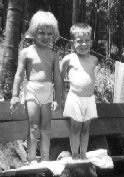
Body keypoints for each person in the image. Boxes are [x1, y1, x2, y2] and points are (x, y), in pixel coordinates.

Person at [10, 11, 62, 163]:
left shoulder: (54, 55)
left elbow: (57, 78)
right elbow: (19, 75)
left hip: (47, 91)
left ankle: (45, 159)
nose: (45, 37)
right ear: (33, 32)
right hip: (31, 90)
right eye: (41, 33)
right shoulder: (26, 52)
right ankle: (31, 159)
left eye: (49, 34)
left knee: (46, 128)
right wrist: (14, 95)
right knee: (34, 127)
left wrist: (57, 98)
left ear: (54, 34)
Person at [60, 23, 98, 160]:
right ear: (72, 42)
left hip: (89, 99)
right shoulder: (68, 59)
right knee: (75, 128)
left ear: (91, 42)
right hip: (74, 98)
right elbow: (59, 78)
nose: (83, 44)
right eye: (79, 41)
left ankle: (83, 154)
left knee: (86, 128)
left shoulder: (94, 60)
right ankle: (75, 155)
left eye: (87, 41)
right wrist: (62, 96)